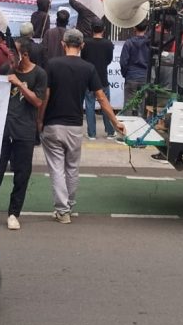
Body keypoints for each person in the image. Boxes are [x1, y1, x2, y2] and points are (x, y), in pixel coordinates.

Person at [38, 29, 124, 223]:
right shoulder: (88, 68)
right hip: (75, 125)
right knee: (72, 168)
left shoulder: (52, 65)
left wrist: (40, 119)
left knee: (57, 168)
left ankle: (62, 209)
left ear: (63, 44)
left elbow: (46, 96)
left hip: (53, 123)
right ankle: (68, 205)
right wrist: (115, 121)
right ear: (82, 46)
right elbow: (101, 98)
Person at [0, 39, 46, 232]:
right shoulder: (6, 68)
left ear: (26, 55)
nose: (11, 58)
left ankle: (14, 214)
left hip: (25, 130)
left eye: (15, 54)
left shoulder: (39, 74)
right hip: (2, 129)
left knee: (22, 175)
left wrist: (19, 85)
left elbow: (38, 101)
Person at [81, 19, 116, 139]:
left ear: (91, 29)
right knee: (105, 104)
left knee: (90, 105)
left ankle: (92, 134)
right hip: (103, 78)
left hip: (88, 78)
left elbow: (83, 59)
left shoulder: (85, 43)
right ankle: (110, 132)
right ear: (104, 30)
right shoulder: (108, 44)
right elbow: (109, 60)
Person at [119, 20, 151, 106]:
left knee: (128, 106)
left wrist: (125, 74)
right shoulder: (149, 44)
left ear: (134, 27)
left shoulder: (128, 43)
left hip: (131, 76)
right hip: (144, 76)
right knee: (142, 106)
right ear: (146, 28)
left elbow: (123, 62)